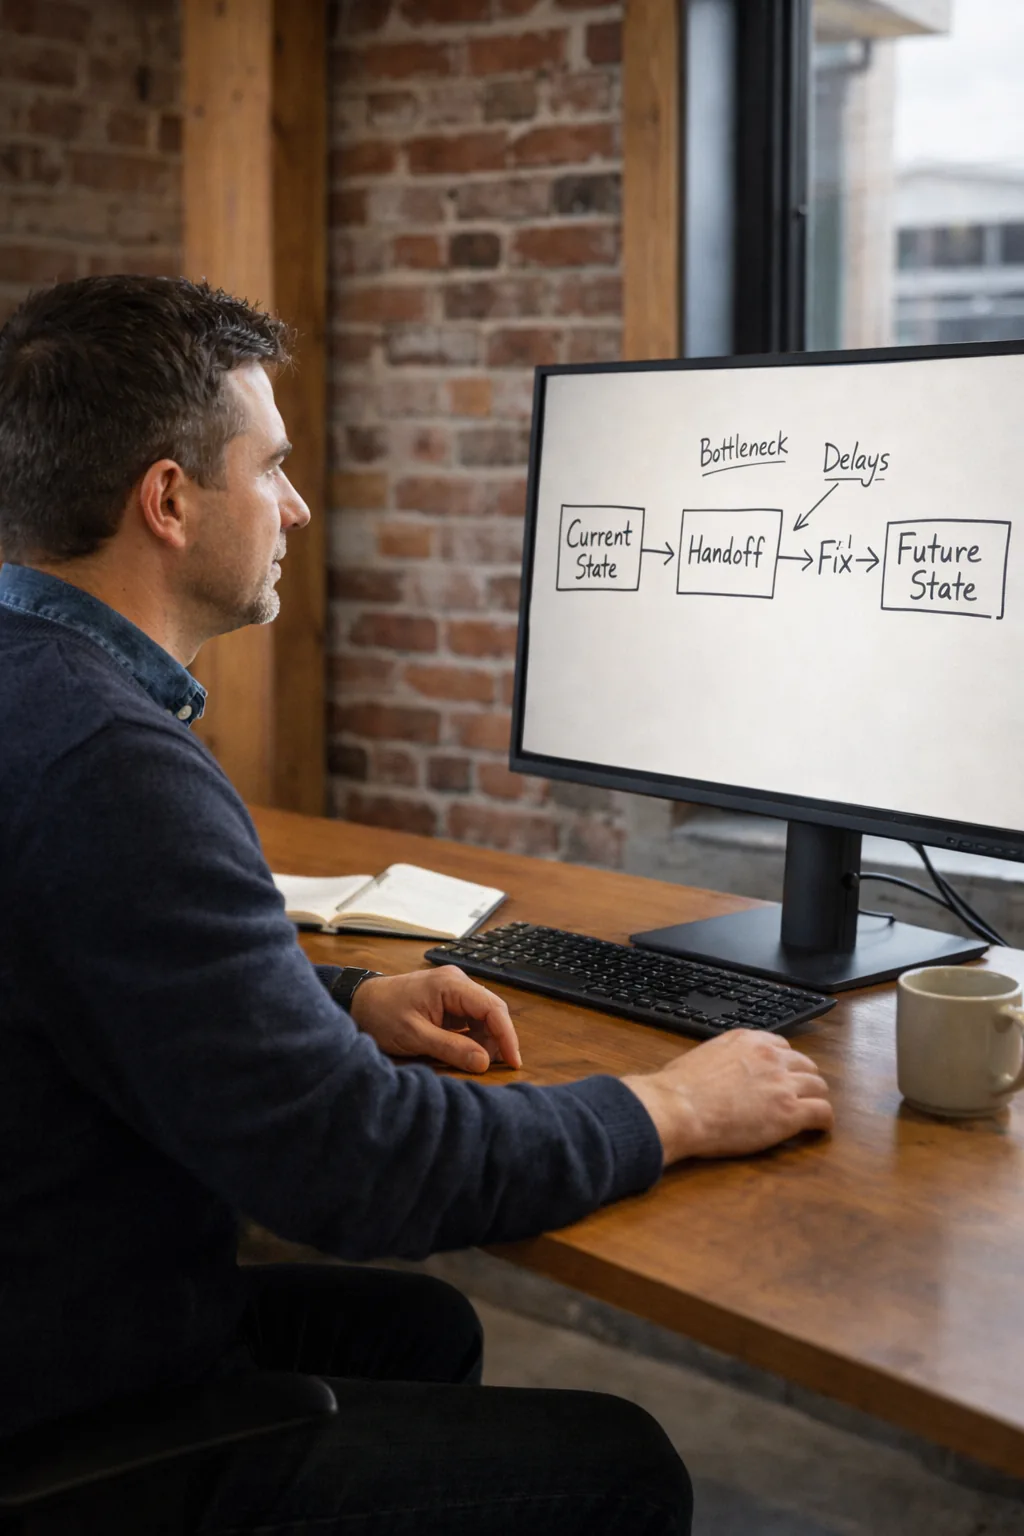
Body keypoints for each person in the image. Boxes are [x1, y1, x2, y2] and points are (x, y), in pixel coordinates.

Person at [0, 274, 833, 1535]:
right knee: (622, 1464)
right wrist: (668, 1109)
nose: (297, 506)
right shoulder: (107, 765)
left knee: (422, 1330)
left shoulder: (35, 695)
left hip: (42, 1304)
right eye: (269, 467)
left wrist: (344, 999)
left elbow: (79, 972)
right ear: (168, 501)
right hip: (52, 1402)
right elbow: (353, 1169)